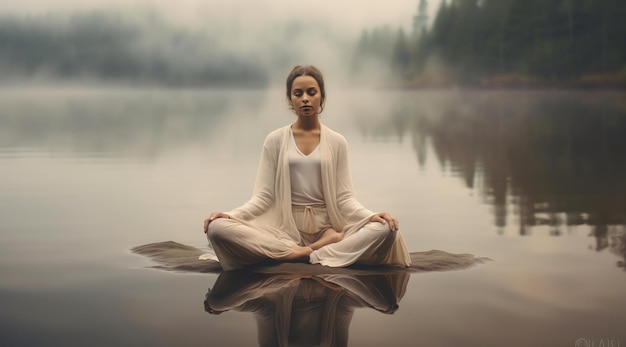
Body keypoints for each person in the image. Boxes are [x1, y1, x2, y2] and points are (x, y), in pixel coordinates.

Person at [203, 65, 411, 271]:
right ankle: (307, 252)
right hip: (284, 232)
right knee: (217, 229)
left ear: (322, 96)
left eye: (311, 92)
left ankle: (301, 253)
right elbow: (264, 197)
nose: (305, 99)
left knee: (385, 230)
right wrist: (231, 216)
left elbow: (344, 198)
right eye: (298, 93)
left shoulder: (337, 141)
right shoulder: (275, 140)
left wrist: (370, 216)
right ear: (289, 99)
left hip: (328, 229)